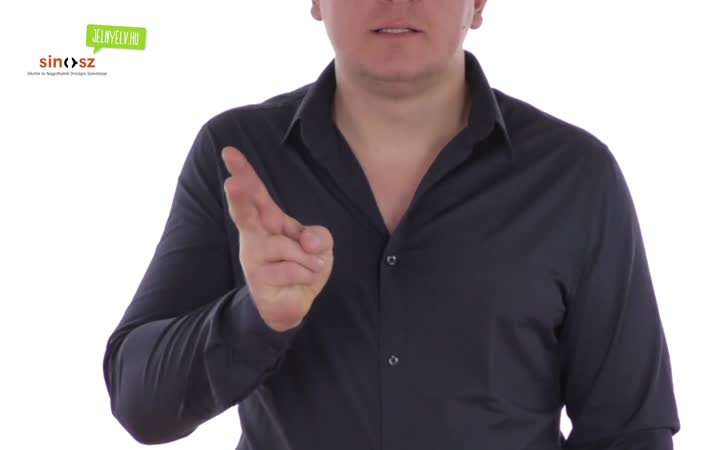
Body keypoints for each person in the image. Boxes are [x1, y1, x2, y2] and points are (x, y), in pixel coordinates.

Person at [102, 1, 680, 449]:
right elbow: (139, 402)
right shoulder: (238, 157)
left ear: (479, 4)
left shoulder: (574, 175)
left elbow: (630, 431)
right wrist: (257, 317)